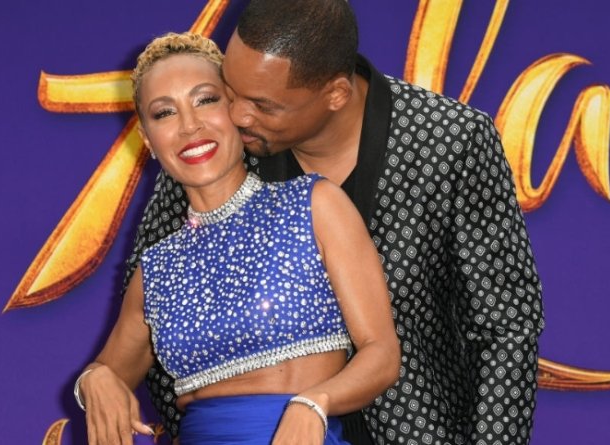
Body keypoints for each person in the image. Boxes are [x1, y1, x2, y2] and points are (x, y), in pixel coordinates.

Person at [122, 1, 545, 445]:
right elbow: (156, 306)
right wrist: (206, 426)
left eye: (262, 105)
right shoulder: (214, 146)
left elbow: (506, 328)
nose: (237, 115)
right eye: (230, 89)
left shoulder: (449, 142)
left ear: (336, 94)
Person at [74, 32, 401, 445]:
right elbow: (107, 371)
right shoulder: (156, 269)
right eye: (164, 112)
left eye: (205, 100)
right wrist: (92, 380)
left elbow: (382, 354)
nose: (189, 125)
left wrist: (315, 403)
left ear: (236, 110)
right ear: (148, 139)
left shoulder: (315, 206)